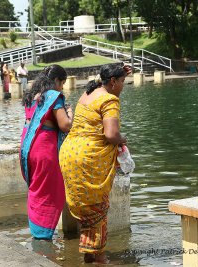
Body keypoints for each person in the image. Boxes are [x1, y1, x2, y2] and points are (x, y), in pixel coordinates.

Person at [59, 63, 131, 263]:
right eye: (123, 81)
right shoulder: (109, 99)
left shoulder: (88, 93)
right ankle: (98, 256)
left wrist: (120, 71)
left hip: (69, 154)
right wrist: (122, 139)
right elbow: (111, 134)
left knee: (87, 207)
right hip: (88, 159)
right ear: (113, 82)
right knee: (97, 207)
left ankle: (90, 254)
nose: (124, 86)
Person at [20, 64, 73, 240]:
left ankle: (36, 231)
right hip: (45, 148)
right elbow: (65, 125)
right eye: (62, 83)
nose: (62, 88)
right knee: (51, 190)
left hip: (29, 147)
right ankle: (43, 234)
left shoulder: (33, 96)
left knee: (36, 187)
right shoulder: (53, 97)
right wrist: (70, 113)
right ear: (56, 80)